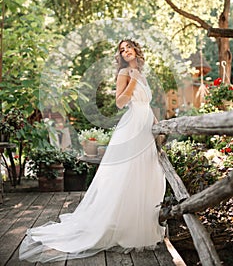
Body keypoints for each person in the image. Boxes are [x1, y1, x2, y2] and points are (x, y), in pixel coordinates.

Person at [19, 39, 166, 263]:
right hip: (131, 127)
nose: (125, 51)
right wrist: (133, 83)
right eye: (121, 50)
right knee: (125, 175)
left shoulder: (141, 74)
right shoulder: (125, 73)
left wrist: (158, 127)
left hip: (146, 127)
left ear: (136, 49)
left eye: (128, 47)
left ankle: (140, 224)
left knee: (144, 174)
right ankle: (118, 227)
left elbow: (146, 105)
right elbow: (119, 102)